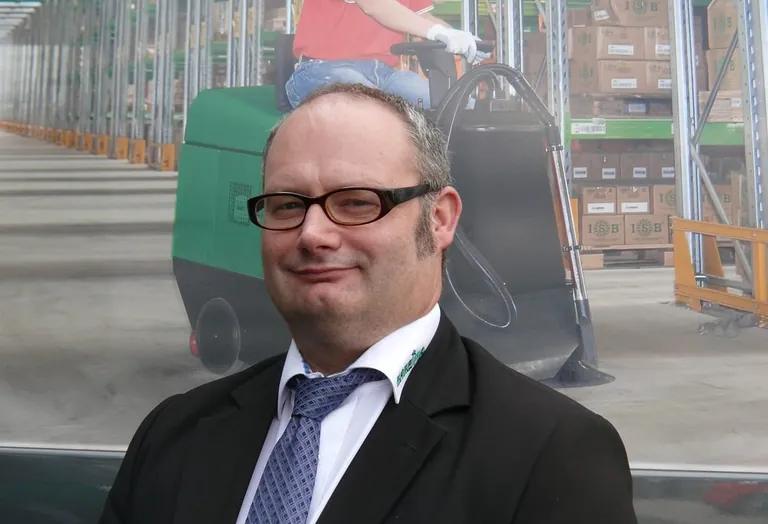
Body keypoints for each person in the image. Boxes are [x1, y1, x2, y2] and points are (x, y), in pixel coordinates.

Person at [97, 83, 639, 524]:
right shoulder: (174, 436)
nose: (313, 233)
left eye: (356, 202)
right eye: (286, 205)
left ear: (440, 219)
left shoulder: (550, 455)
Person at [284, 0, 489, 109]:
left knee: (460, 109)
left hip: (385, 74)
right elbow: (374, 4)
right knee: (371, 110)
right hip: (323, 69)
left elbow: (421, 17)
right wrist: (437, 32)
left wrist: (461, 38)